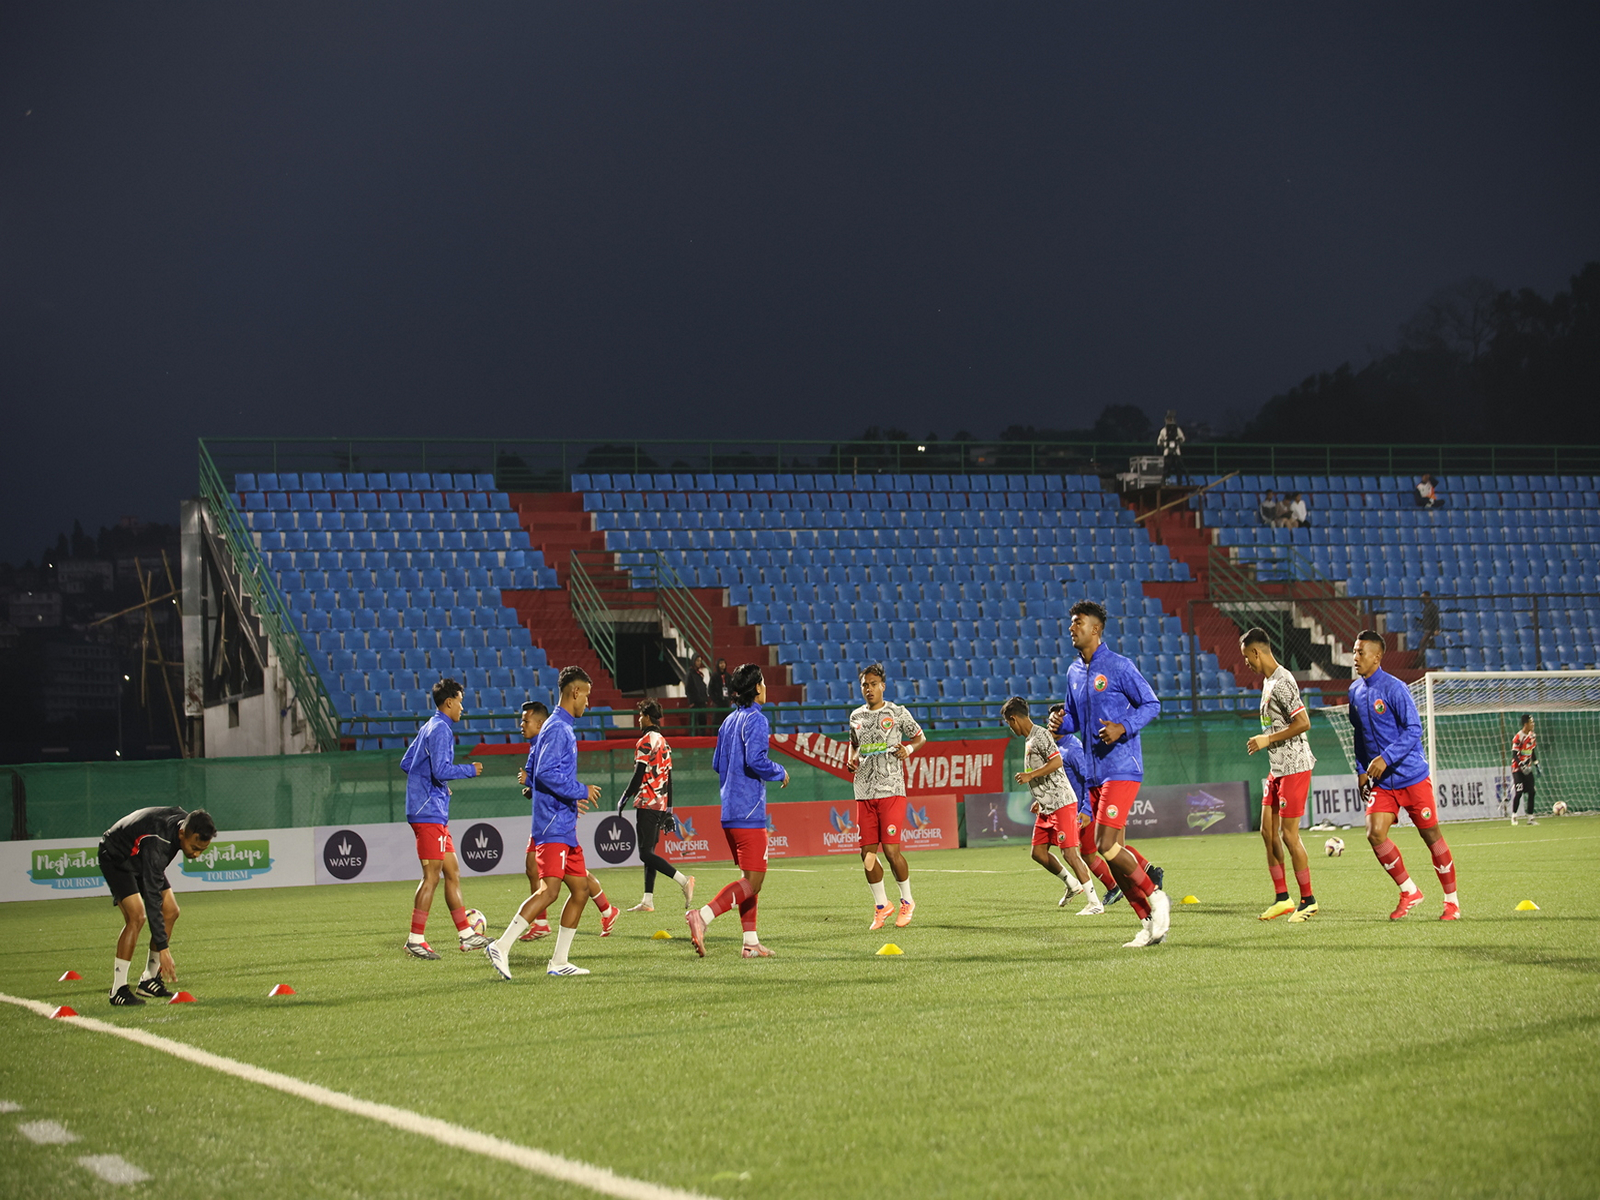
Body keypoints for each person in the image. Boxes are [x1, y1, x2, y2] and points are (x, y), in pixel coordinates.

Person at [1053, 598, 1171, 948]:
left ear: (1096, 629)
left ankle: (1156, 897)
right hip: (1093, 773)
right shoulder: (1074, 672)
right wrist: (1062, 721)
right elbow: (1075, 718)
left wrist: (1124, 727)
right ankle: (1148, 923)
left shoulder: (1119, 667)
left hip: (1121, 767)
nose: (1071, 628)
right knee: (1115, 852)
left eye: (1078, 622)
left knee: (1105, 845)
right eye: (1072, 622)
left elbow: (1151, 704)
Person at [486, 667, 605, 979]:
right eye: (587, 696)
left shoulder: (558, 727)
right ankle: (501, 945)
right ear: (575, 692)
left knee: (580, 890)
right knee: (550, 890)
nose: (588, 704)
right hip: (553, 825)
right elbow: (546, 774)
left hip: (563, 826)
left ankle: (559, 961)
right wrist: (581, 790)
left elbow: (538, 772)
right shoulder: (556, 729)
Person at [1348, 631, 1461, 920]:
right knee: (1374, 833)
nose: (1355, 657)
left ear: (1377, 656)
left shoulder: (1395, 688)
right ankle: (1409, 891)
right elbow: (1358, 734)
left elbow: (1414, 729)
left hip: (1411, 776)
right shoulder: (1355, 692)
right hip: (1383, 783)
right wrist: (1362, 770)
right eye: (1354, 651)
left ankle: (1451, 902)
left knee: (1431, 835)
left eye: (1361, 652)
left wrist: (1385, 758)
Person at [686, 663, 788, 957]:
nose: (766, 687)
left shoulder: (727, 722)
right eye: (764, 682)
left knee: (749, 881)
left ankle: (751, 943)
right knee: (754, 881)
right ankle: (702, 917)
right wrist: (779, 771)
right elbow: (757, 761)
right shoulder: (756, 720)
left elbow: (717, 763)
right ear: (756, 688)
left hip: (729, 811)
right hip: (749, 811)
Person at [513, 701, 620, 940]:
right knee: (537, 869)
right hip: (544, 818)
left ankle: (604, 909)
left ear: (539, 723)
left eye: (525, 720)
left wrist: (575, 794)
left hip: (554, 818)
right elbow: (543, 780)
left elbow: (552, 776)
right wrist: (531, 788)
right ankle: (545, 925)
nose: (521, 725)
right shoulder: (538, 743)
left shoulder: (554, 734)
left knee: (557, 880)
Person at [399, 678, 489, 959]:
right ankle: (415, 939)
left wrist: (431, 782)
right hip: (428, 812)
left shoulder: (428, 725)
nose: (463, 707)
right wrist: (469, 771)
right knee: (431, 876)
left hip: (431, 809)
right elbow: (441, 769)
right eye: (460, 701)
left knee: (452, 871)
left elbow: (406, 763)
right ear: (449, 702)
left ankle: (467, 935)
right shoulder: (441, 729)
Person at [97, 806, 215, 1006]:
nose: (196, 855)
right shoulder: (158, 842)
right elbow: (153, 898)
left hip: (141, 858)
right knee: (137, 917)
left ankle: (149, 979)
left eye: (202, 850)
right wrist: (163, 949)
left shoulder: (185, 825)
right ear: (181, 834)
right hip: (117, 857)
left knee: (171, 911)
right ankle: (118, 989)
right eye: (194, 848)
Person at [1239, 628, 1318, 922]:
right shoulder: (1268, 681)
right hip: (1278, 767)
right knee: (1267, 831)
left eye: (1247, 658)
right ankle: (1283, 898)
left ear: (1257, 652)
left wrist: (1266, 740)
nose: (1247, 663)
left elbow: (1303, 722)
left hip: (1295, 766)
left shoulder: (1283, 681)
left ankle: (1308, 900)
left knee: (1288, 834)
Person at [846, 662, 926, 930]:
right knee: (867, 855)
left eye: (873, 684)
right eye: (864, 685)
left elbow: (919, 737)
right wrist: (852, 759)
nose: (868, 689)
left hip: (891, 789)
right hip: (863, 791)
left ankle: (907, 901)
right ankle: (882, 906)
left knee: (891, 851)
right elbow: (854, 746)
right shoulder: (856, 716)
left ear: (883, 686)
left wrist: (909, 751)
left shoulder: (897, 712)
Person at [1003, 697, 1098, 912]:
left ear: (1014, 719)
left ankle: (1095, 902)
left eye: (1009, 724)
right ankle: (1072, 884)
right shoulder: (1030, 739)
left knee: (1071, 854)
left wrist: (1030, 776)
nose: (1010, 728)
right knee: (1038, 853)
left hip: (1062, 803)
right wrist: (1040, 798)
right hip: (1047, 805)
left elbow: (1057, 762)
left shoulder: (1041, 735)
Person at [617, 698, 696, 911]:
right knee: (649, 852)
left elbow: (638, 776)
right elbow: (669, 780)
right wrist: (669, 811)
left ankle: (683, 880)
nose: (638, 719)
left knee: (644, 853)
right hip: (660, 805)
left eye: (640, 715)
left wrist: (624, 798)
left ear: (647, 717)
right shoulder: (664, 742)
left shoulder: (644, 742)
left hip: (646, 803)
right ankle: (648, 900)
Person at [1510, 714, 1538, 826]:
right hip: (1517, 769)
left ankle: (1530, 818)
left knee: (1532, 792)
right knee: (1519, 792)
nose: (1533, 724)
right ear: (1526, 724)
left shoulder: (1532, 736)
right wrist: (1521, 765)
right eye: (1531, 722)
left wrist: (1536, 764)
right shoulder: (1518, 737)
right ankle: (1514, 816)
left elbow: (1532, 751)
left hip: (1528, 768)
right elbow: (1514, 754)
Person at [1156, 410, 1186, 484]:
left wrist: (1177, 441)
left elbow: (1182, 439)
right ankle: (1164, 482)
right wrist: (1164, 443)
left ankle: (1179, 482)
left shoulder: (1177, 430)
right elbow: (1159, 442)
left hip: (1176, 452)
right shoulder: (1163, 430)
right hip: (1167, 452)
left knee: (1178, 469)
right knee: (1166, 469)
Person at [686, 654, 710, 735]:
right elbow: (688, 688)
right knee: (695, 722)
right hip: (695, 703)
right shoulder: (690, 674)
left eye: (700, 661)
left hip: (702, 702)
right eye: (697, 661)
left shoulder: (699, 674)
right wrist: (691, 701)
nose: (699, 663)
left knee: (703, 722)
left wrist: (705, 699)